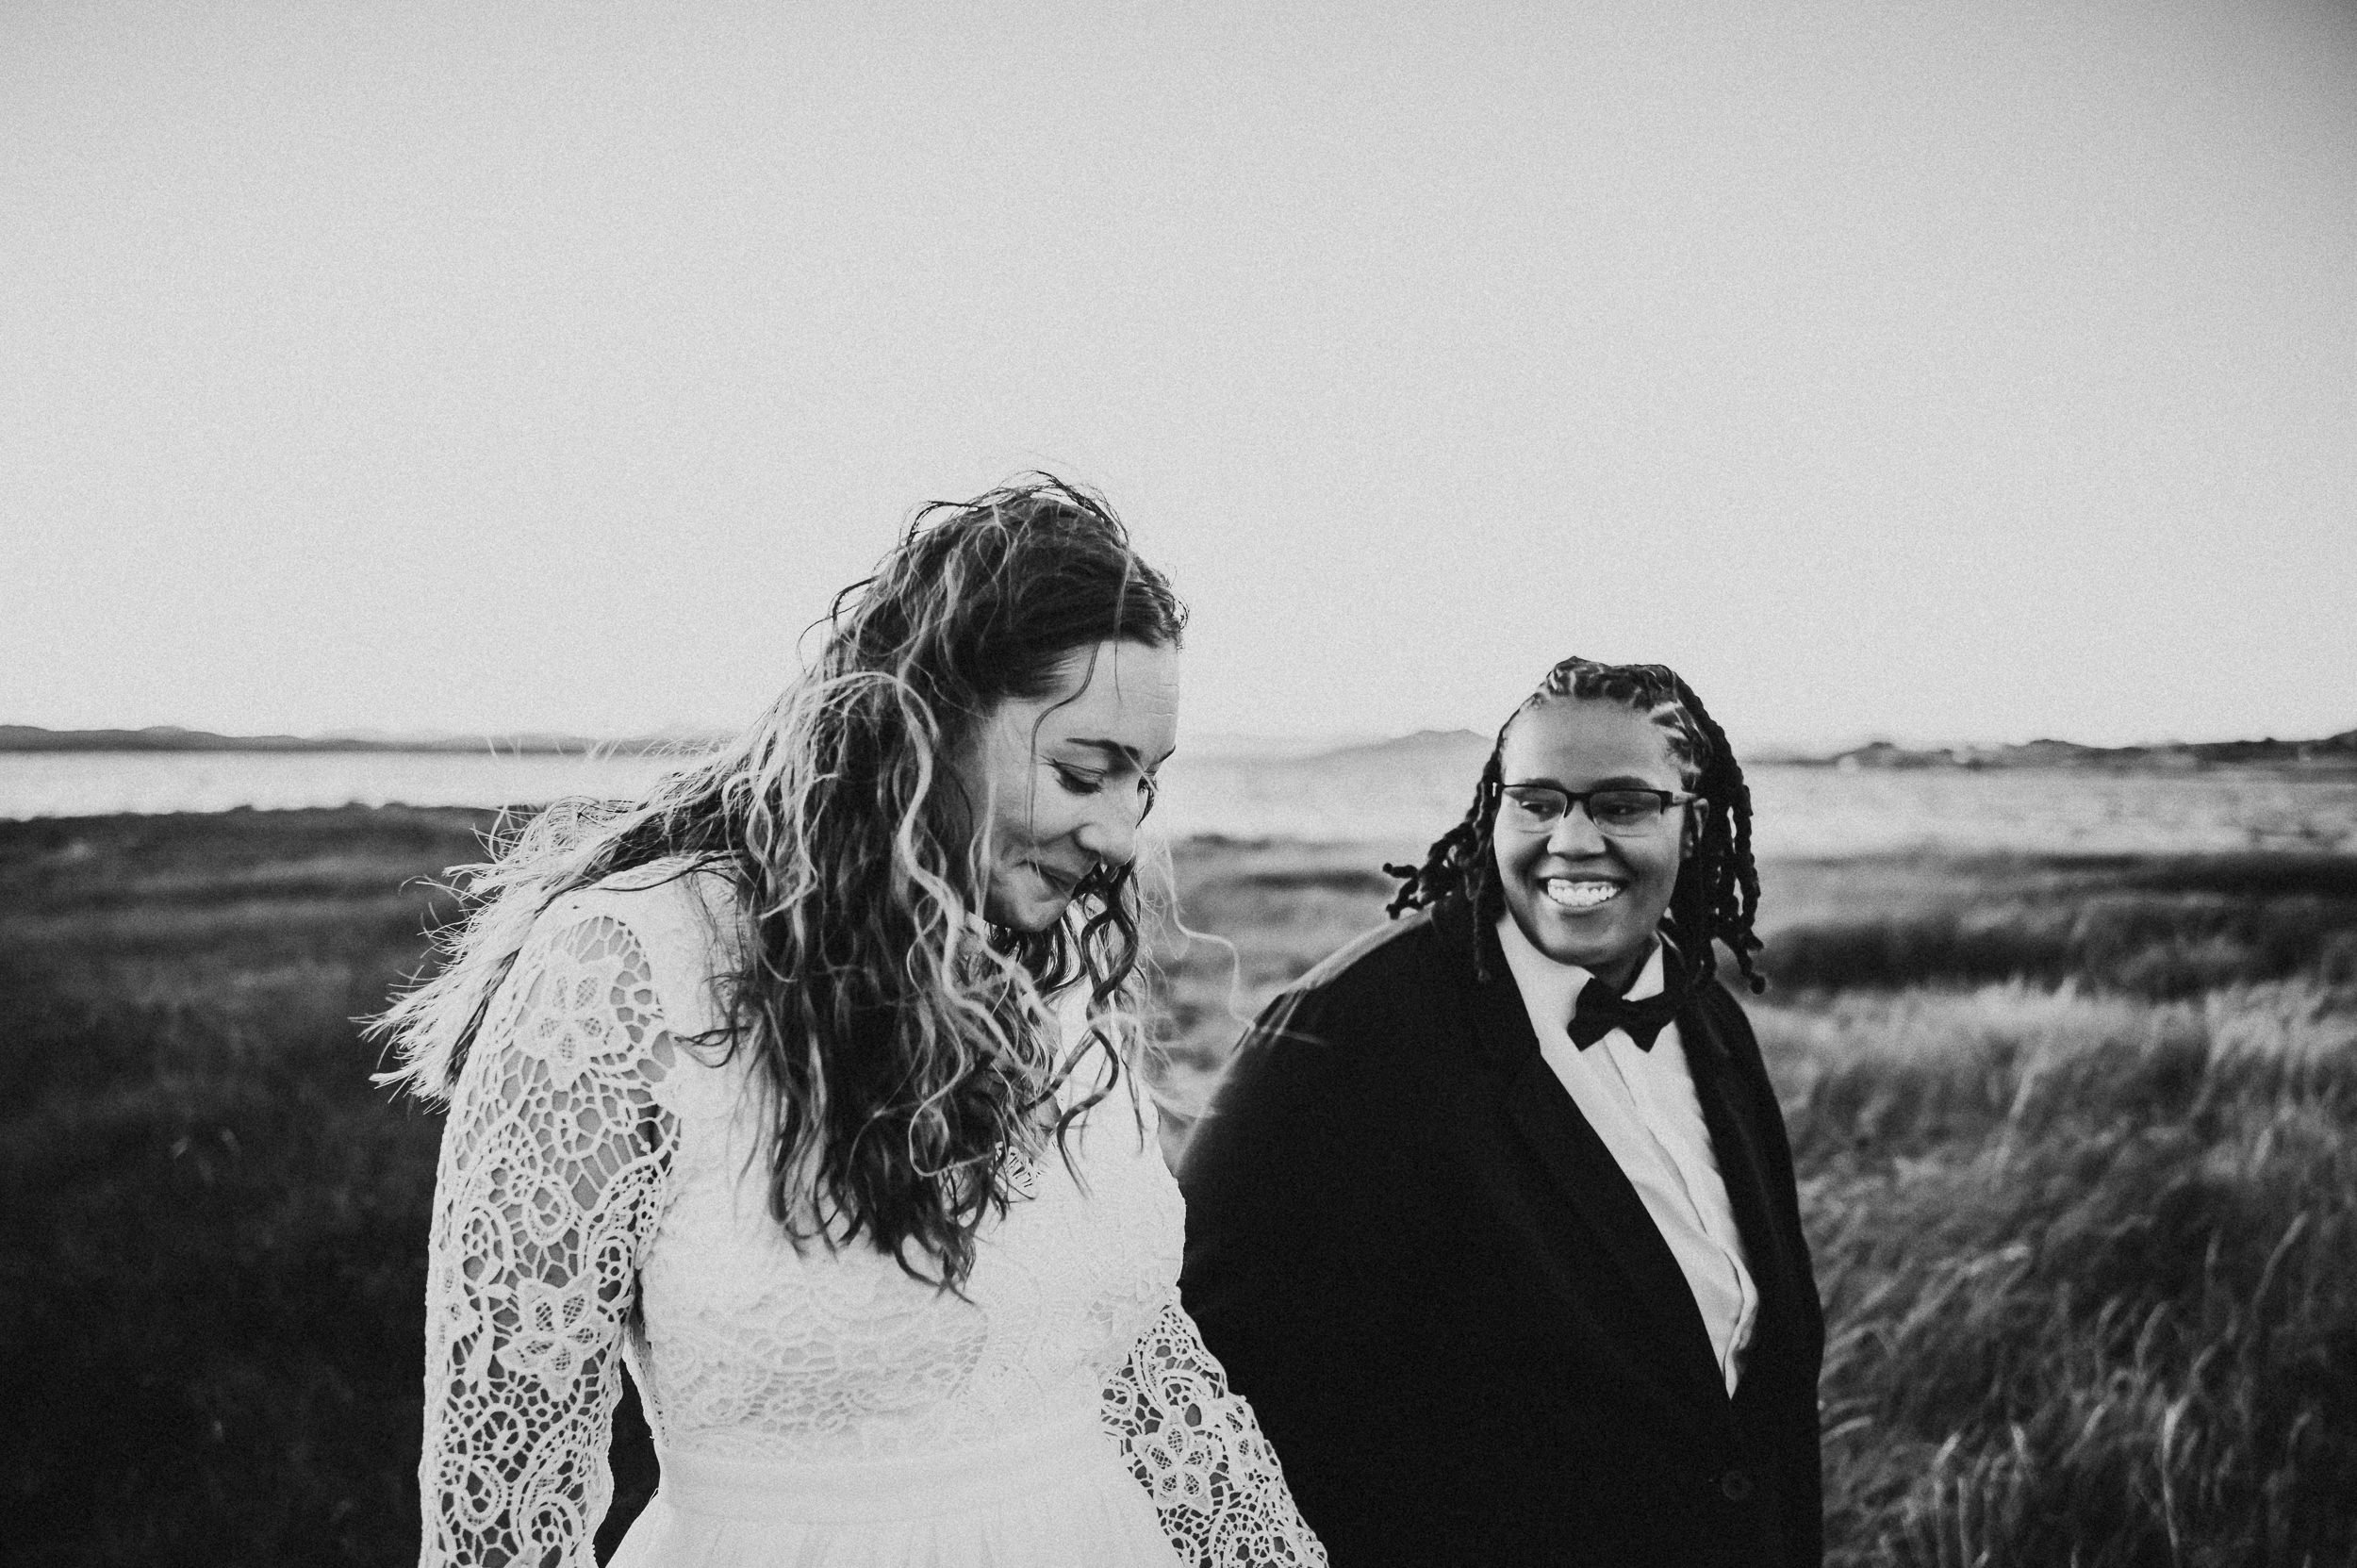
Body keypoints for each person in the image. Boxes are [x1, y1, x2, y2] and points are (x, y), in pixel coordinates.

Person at [377, 479, 1326, 1567]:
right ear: (932, 720)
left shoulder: (1043, 962)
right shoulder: (629, 967)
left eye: (1142, 783)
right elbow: (504, 1506)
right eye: (1082, 771)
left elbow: (1138, 1366)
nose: (1118, 834)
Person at [1177, 657, 1823, 1568]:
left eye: (1623, 805)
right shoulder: (1343, 1036)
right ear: (1494, 811)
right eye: (1538, 801)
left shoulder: (1710, 1019)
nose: (1573, 839)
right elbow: (1206, 1387)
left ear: (1697, 822)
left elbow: (1764, 1399)